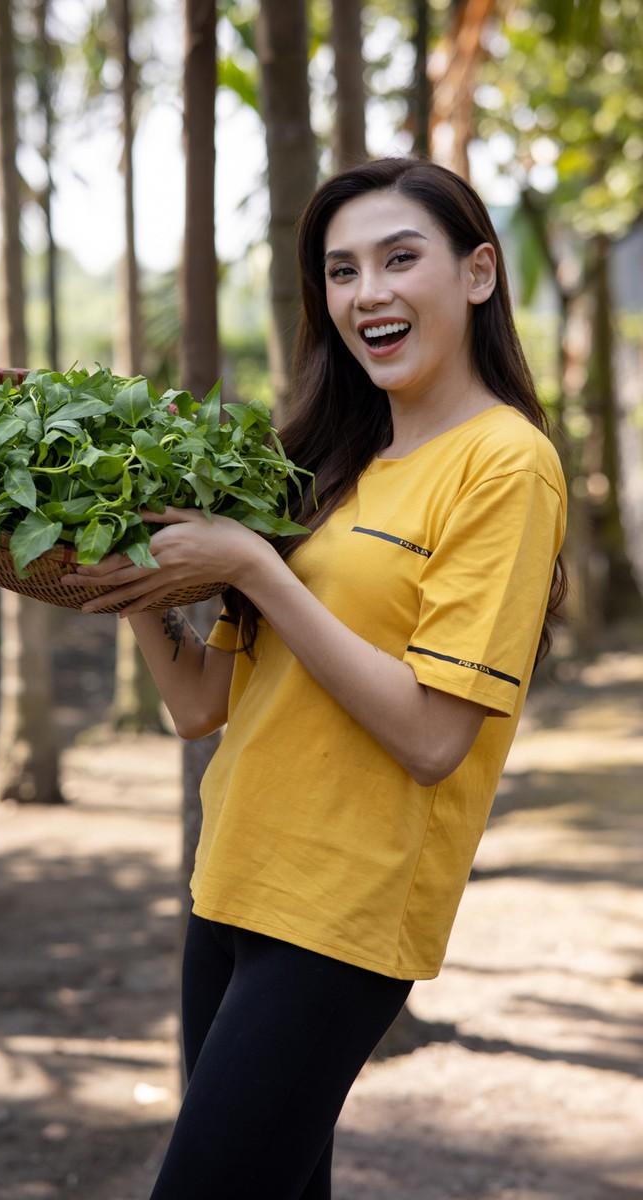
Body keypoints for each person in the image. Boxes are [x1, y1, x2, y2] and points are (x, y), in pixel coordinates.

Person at [61, 156, 568, 1200]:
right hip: (231, 880)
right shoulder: (326, 467)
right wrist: (119, 569)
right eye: (340, 272)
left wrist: (251, 566)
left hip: (340, 914)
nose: (365, 292)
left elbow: (434, 738)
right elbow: (200, 706)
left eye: (397, 258)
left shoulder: (503, 464)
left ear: (476, 275)